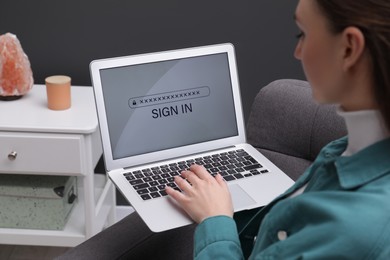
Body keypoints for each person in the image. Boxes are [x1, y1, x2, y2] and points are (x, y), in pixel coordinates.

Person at [166, 0, 390, 259]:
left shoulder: (351, 230)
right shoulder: (346, 150)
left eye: (303, 34)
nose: (297, 51)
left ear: (349, 48)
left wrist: (215, 220)